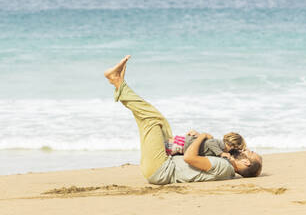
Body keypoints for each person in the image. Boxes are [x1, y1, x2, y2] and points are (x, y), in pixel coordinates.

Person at [104, 55, 262, 185]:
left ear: (247, 163)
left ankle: (117, 82)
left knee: (151, 119)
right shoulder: (225, 164)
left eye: (250, 153)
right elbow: (198, 157)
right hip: (163, 164)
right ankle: (117, 83)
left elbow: (189, 158)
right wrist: (196, 140)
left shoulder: (224, 167)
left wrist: (202, 137)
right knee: (159, 121)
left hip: (160, 169)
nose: (245, 150)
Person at [166, 131, 246, 159]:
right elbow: (209, 143)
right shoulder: (221, 145)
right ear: (232, 146)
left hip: (185, 146)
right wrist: (221, 153)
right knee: (165, 147)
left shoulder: (220, 146)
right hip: (184, 144)